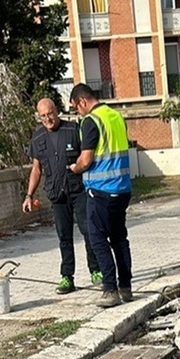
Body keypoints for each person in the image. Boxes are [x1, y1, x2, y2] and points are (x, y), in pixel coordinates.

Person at [23, 98, 102, 295]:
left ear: (56, 111)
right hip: (57, 195)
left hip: (78, 191)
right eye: (43, 116)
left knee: (88, 231)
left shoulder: (74, 130)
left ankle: (96, 271)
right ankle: (67, 277)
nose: (47, 118)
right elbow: (36, 169)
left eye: (50, 113)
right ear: (39, 117)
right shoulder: (37, 138)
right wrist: (29, 195)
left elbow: (87, 157)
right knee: (64, 237)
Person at [69, 83, 134, 308]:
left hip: (101, 190)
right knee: (119, 239)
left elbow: (86, 160)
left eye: (76, 108)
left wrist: (74, 168)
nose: (78, 112)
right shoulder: (116, 116)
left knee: (97, 239)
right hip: (122, 188)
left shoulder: (91, 121)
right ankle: (126, 286)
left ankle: (110, 289)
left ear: (82, 101)